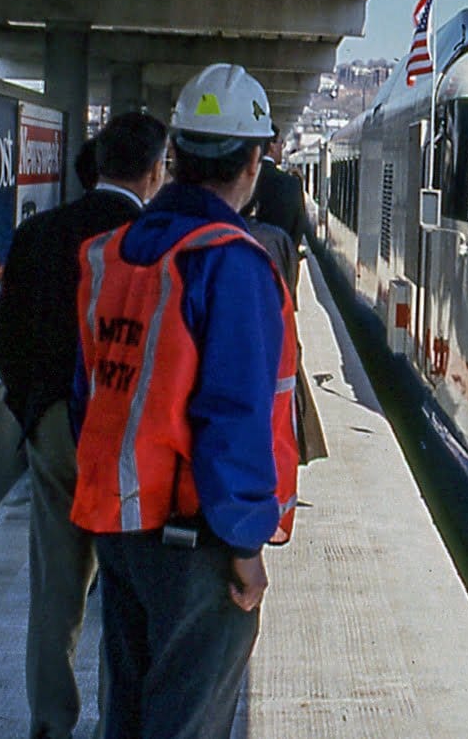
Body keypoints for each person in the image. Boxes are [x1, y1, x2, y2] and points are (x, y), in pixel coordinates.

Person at [71, 63, 299, 739]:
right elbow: (232, 415)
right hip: (197, 542)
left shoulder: (114, 252)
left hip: (121, 525)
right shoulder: (231, 261)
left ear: (175, 154)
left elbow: (94, 388)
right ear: (253, 161)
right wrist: (245, 541)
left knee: (130, 712)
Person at [0, 111, 166, 739]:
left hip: (57, 434)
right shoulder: (155, 243)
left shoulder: (39, 234)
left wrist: (37, 415)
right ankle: (117, 721)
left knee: (56, 591)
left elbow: (6, 335)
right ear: (154, 171)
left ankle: (49, 722)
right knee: (127, 598)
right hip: (129, 439)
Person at [246, 126, 309, 304]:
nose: (282, 147)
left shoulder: (238, 179)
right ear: (272, 145)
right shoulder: (289, 184)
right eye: (281, 142)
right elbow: (297, 230)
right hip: (276, 279)